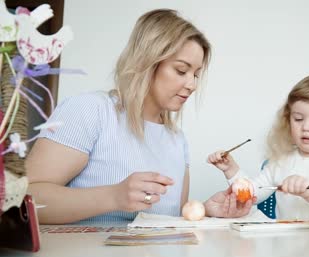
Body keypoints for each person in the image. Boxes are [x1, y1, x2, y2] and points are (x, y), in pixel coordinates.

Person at [26, 9, 254, 224]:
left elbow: (167, 222)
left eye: (196, 74)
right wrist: (113, 196)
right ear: (147, 62)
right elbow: (25, 200)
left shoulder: (177, 139)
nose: (192, 84)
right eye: (181, 71)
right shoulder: (89, 110)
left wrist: (205, 211)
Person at [207, 73, 309, 221]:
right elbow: (252, 192)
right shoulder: (281, 161)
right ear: (287, 119)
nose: (306, 127)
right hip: (284, 248)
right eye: (298, 119)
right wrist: (231, 170)